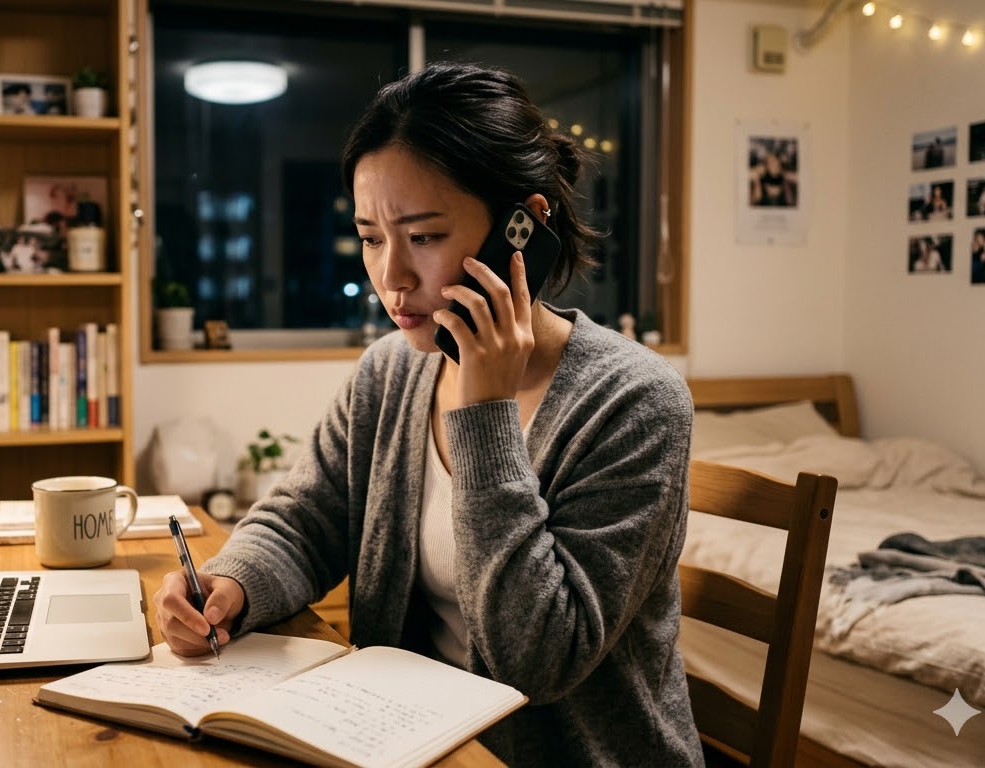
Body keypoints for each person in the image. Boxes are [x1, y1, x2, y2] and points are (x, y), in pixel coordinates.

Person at [153, 61, 702, 766]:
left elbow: (535, 663)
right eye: (373, 237)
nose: (391, 277)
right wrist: (231, 585)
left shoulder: (634, 401)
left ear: (523, 229)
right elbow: (307, 518)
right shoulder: (392, 371)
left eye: (425, 236)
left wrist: (485, 413)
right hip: (409, 741)